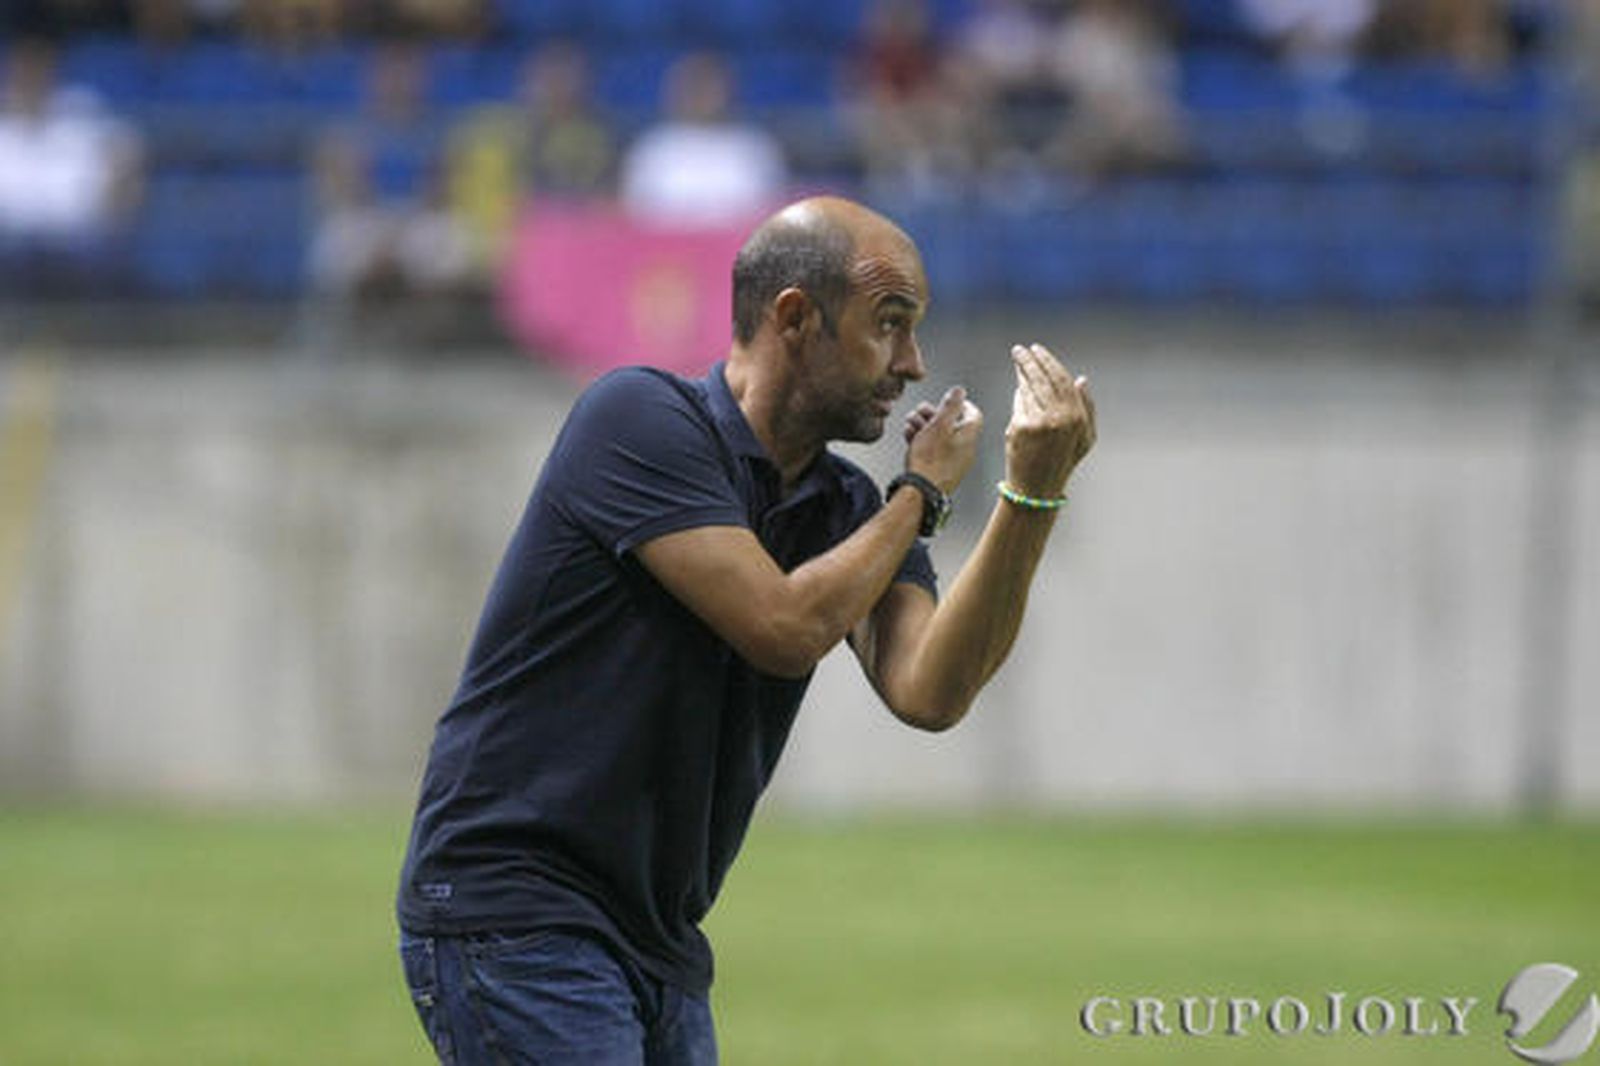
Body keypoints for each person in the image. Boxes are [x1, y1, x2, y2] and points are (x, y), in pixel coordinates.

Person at [395, 195, 1097, 1064]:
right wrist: (918, 495)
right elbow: (781, 626)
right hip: (519, 911)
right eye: (889, 324)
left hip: (657, 937)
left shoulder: (843, 508)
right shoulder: (637, 420)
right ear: (795, 318)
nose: (912, 364)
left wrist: (1030, 495)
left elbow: (930, 691)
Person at [618, 51, 787, 227]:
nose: (701, 96)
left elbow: (771, 216)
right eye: (693, 87)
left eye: (709, 88)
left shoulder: (754, 147)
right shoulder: (652, 148)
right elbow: (635, 218)